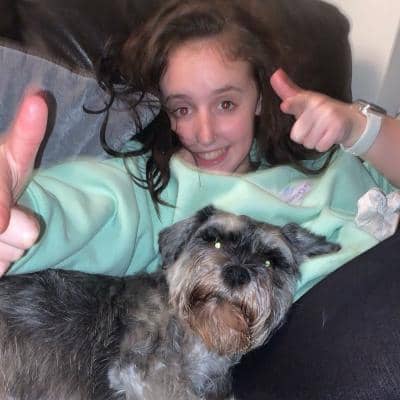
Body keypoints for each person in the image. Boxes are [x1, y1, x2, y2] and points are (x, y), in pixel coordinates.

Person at [0, 0, 399, 300]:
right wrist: (20, 209)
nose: (204, 135)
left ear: (259, 98)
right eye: (183, 109)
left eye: (226, 104)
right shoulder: (157, 193)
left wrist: (361, 129)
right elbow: (85, 206)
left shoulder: (327, 157)